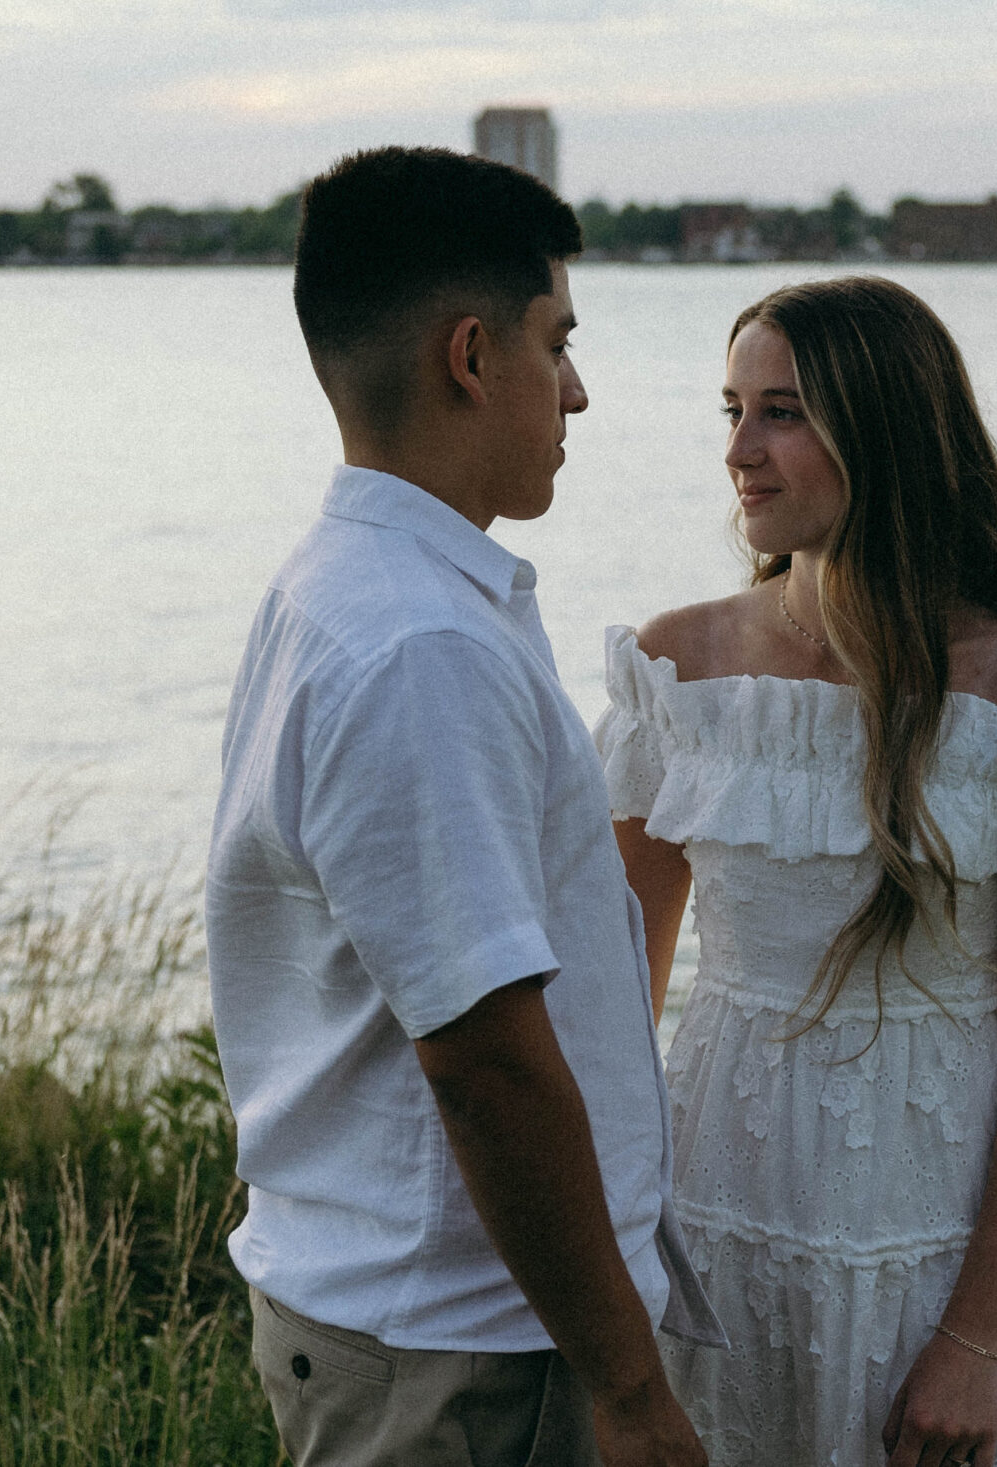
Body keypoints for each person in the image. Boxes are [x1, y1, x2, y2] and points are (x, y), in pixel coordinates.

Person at [598, 276, 997, 1466]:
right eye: (732, 410)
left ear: (887, 430)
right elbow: (613, 990)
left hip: (935, 1233)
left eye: (784, 413)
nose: (740, 452)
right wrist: (612, 1266)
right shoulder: (682, 666)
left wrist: (974, 1337)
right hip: (712, 1221)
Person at [206, 146, 718, 1467]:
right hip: (466, 1355)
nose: (581, 389)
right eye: (560, 341)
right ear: (472, 356)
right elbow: (481, 1054)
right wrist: (628, 1382)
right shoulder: (416, 642)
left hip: (414, 1314)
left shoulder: (341, 587)